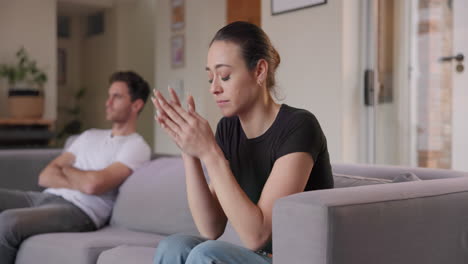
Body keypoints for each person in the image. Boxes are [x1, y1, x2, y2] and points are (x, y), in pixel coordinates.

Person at [152, 21, 334, 264]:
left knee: (207, 255)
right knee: (173, 246)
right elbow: (211, 227)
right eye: (210, 78)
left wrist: (210, 154)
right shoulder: (229, 129)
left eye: (224, 76)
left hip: (298, 259)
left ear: (259, 71)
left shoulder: (300, 126)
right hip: (259, 258)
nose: (214, 88)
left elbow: (257, 235)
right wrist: (189, 151)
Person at [0, 71, 151, 263]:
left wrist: (65, 169)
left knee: (8, 221)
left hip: (79, 211)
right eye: (109, 95)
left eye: (117, 96)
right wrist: (82, 177)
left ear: (136, 105)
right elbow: (45, 176)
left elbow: (93, 186)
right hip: (46, 196)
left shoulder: (136, 146)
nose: (108, 102)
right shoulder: (89, 135)